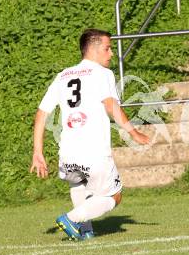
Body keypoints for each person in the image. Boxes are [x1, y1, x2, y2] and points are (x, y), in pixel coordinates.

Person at [30, 29, 150, 240]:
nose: (111, 53)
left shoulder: (63, 75)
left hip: (67, 152)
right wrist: (133, 132)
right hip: (94, 151)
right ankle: (71, 218)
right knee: (114, 195)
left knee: (79, 184)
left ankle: (85, 232)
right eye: (108, 48)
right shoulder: (102, 73)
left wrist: (37, 151)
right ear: (94, 50)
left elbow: (42, 113)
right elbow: (111, 106)